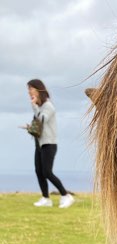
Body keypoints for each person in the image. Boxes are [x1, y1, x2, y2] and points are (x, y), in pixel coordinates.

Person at [25, 79, 74, 208]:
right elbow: (38, 126)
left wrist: (34, 106)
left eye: (31, 89)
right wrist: (30, 128)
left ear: (38, 89)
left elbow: (42, 119)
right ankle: (46, 198)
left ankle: (66, 195)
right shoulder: (41, 107)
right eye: (28, 89)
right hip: (39, 144)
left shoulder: (48, 106)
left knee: (47, 172)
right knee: (39, 171)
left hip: (49, 144)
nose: (29, 92)